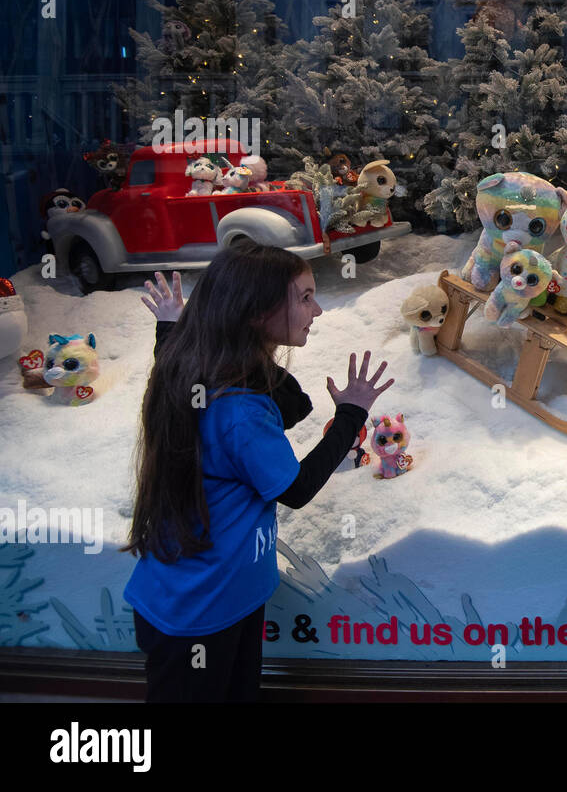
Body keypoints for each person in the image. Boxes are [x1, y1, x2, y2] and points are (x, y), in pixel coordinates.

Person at [121, 242, 393, 702]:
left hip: (220, 599)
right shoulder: (240, 410)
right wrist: (350, 415)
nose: (318, 309)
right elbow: (297, 488)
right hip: (200, 615)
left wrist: (172, 323)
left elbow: (172, 355)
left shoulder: (197, 367)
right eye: (304, 297)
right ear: (254, 311)